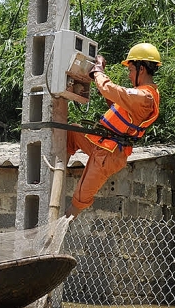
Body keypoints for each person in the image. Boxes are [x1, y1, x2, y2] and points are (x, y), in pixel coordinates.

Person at [65, 43, 161, 219]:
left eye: (131, 69)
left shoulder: (145, 97)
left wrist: (98, 71)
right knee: (71, 133)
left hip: (109, 154)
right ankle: (52, 175)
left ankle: (57, 231)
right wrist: (101, 81)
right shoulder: (142, 94)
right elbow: (117, 104)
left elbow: (110, 89)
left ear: (142, 69)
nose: (129, 74)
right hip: (103, 143)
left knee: (80, 199)